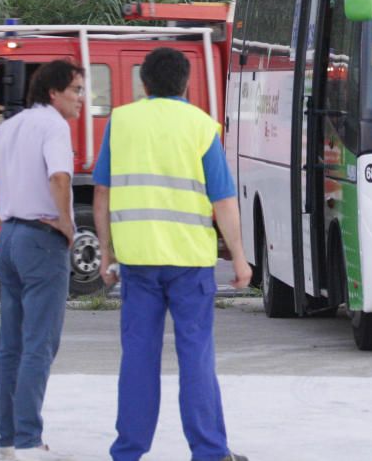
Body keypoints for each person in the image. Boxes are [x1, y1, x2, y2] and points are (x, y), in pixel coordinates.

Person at [92, 47, 252, 461]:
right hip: (189, 263)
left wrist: (106, 252)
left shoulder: (121, 121)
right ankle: (210, 451)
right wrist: (238, 256)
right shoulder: (201, 126)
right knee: (196, 356)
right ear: (185, 84)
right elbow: (224, 200)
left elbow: (103, 192)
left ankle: (128, 451)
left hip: (138, 261)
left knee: (139, 358)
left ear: (143, 83)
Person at [0, 60, 84, 461]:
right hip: (40, 240)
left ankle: (9, 437)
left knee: (10, 345)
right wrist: (67, 223)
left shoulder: (11, 125)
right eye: (76, 90)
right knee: (40, 343)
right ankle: (30, 438)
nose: (81, 99)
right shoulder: (54, 126)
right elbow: (60, 177)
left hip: (10, 237)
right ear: (54, 92)